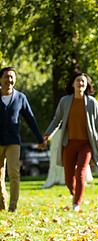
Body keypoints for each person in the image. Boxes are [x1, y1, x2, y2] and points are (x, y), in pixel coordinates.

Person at [43, 73, 98, 213]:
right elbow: (57, 120)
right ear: (72, 84)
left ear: (87, 85)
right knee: (68, 179)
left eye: (83, 82)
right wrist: (47, 135)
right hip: (69, 143)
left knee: (80, 172)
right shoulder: (65, 101)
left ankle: (76, 204)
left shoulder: (92, 103)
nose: (80, 83)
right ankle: (75, 192)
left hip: (86, 145)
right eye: (78, 81)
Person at [0, 67, 46, 212]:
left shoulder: (20, 98)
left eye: (12, 77)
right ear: (0, 79)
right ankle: (2, 204)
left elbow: (30, 119)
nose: (9, 80)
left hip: (13, 142)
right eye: (6, 77)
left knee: (14, 172)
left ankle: (13, 206)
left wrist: (40, 138)